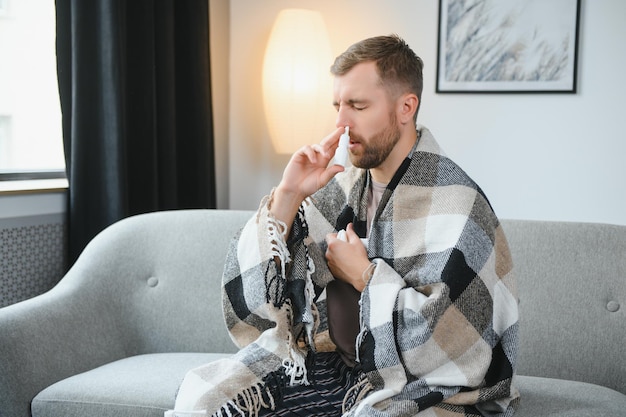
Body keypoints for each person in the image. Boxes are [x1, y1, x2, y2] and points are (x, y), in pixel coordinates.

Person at [170, 34, 520, 417]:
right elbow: (263, 307)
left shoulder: (458, 203)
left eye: (357, 105)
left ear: (406, 107)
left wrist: (366, 277)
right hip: (337, 367)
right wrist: (288, 195)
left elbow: (450, 347)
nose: (341, 122)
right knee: (206, 401)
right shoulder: (344, 187)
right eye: (337, 105)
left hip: (429, 387)